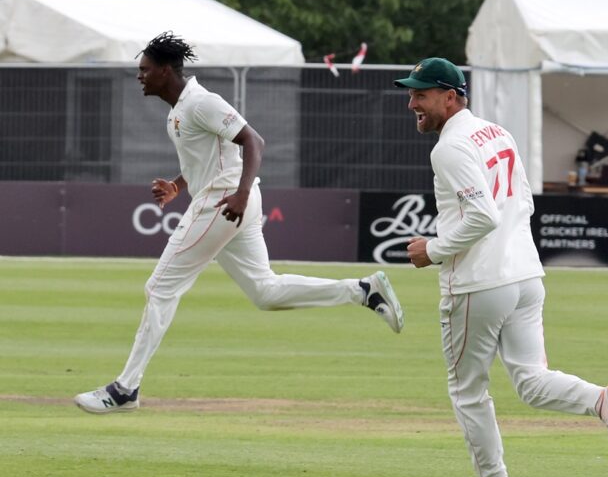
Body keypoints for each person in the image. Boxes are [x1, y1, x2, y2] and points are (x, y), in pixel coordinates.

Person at [74, 32, 404, 414]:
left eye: (145, 70)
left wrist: (242, 193)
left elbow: (253, 141)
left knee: (160, 288)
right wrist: (178, 185)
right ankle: (362, 290)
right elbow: (208, 159)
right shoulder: (178, 111)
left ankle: (125, 389)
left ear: (165, 71)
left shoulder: (202, 102)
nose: (139, 76)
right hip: (229, 200)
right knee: (265, 292)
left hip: (225, 201)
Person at [398, 57, 608, 477]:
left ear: (451, 97)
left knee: (468, 392)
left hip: (479, 283)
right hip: (525, 275)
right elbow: (523, 203)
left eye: (421, 95)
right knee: (531, 380)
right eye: (411, 94)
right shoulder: (498, 133)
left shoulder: (449, 147)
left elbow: (482, 216)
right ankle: (603, 402)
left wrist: (435, 249)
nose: (412, 104)